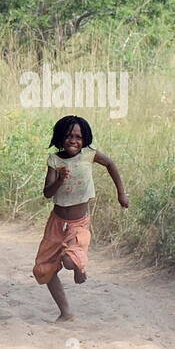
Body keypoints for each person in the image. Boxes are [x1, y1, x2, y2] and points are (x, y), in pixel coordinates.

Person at [32, 115, 128, 322]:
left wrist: (121, 193)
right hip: (56, 222)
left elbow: (111, 164)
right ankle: (66, 312)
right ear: (59, 138)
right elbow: (47, 193)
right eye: (68, 136)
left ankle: (79, 266)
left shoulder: (89, 155)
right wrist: (58, 180)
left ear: (85, 139)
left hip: (78, 222)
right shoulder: (54, 161)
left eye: (78, 136)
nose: (73, 140)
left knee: (68, 261)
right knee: (44, 268)